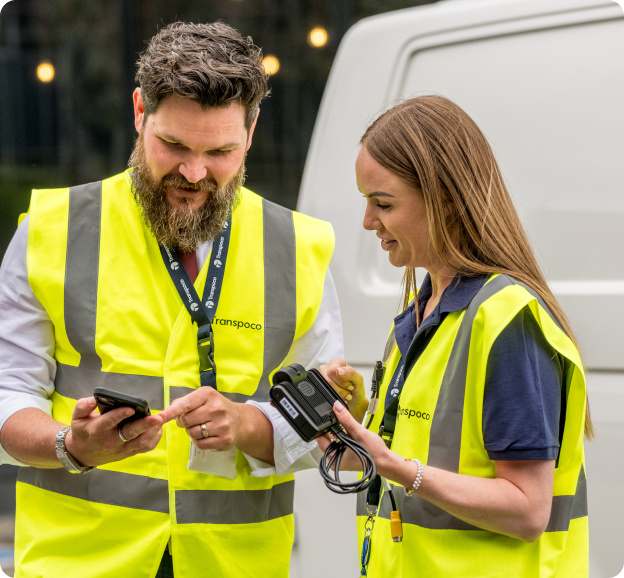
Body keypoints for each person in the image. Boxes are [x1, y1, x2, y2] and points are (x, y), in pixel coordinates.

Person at [0, 21, 343, 578]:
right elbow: (7, 389)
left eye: (220, 152)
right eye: (174, 145)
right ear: (140, 112)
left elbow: (327, 422)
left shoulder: (300, 247)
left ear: (251, 132)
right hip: (78, 565)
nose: (193, 172)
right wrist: (71, 445)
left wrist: (250, 426)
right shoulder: (50, 230)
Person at [320, 95, 590, 577]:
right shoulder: (420, 314)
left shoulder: (507, 321)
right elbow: (402, 473)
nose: (368, 222)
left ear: (445, 197)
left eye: (382, 203)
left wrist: (400, 468)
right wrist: (349, 433)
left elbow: (528, 510)